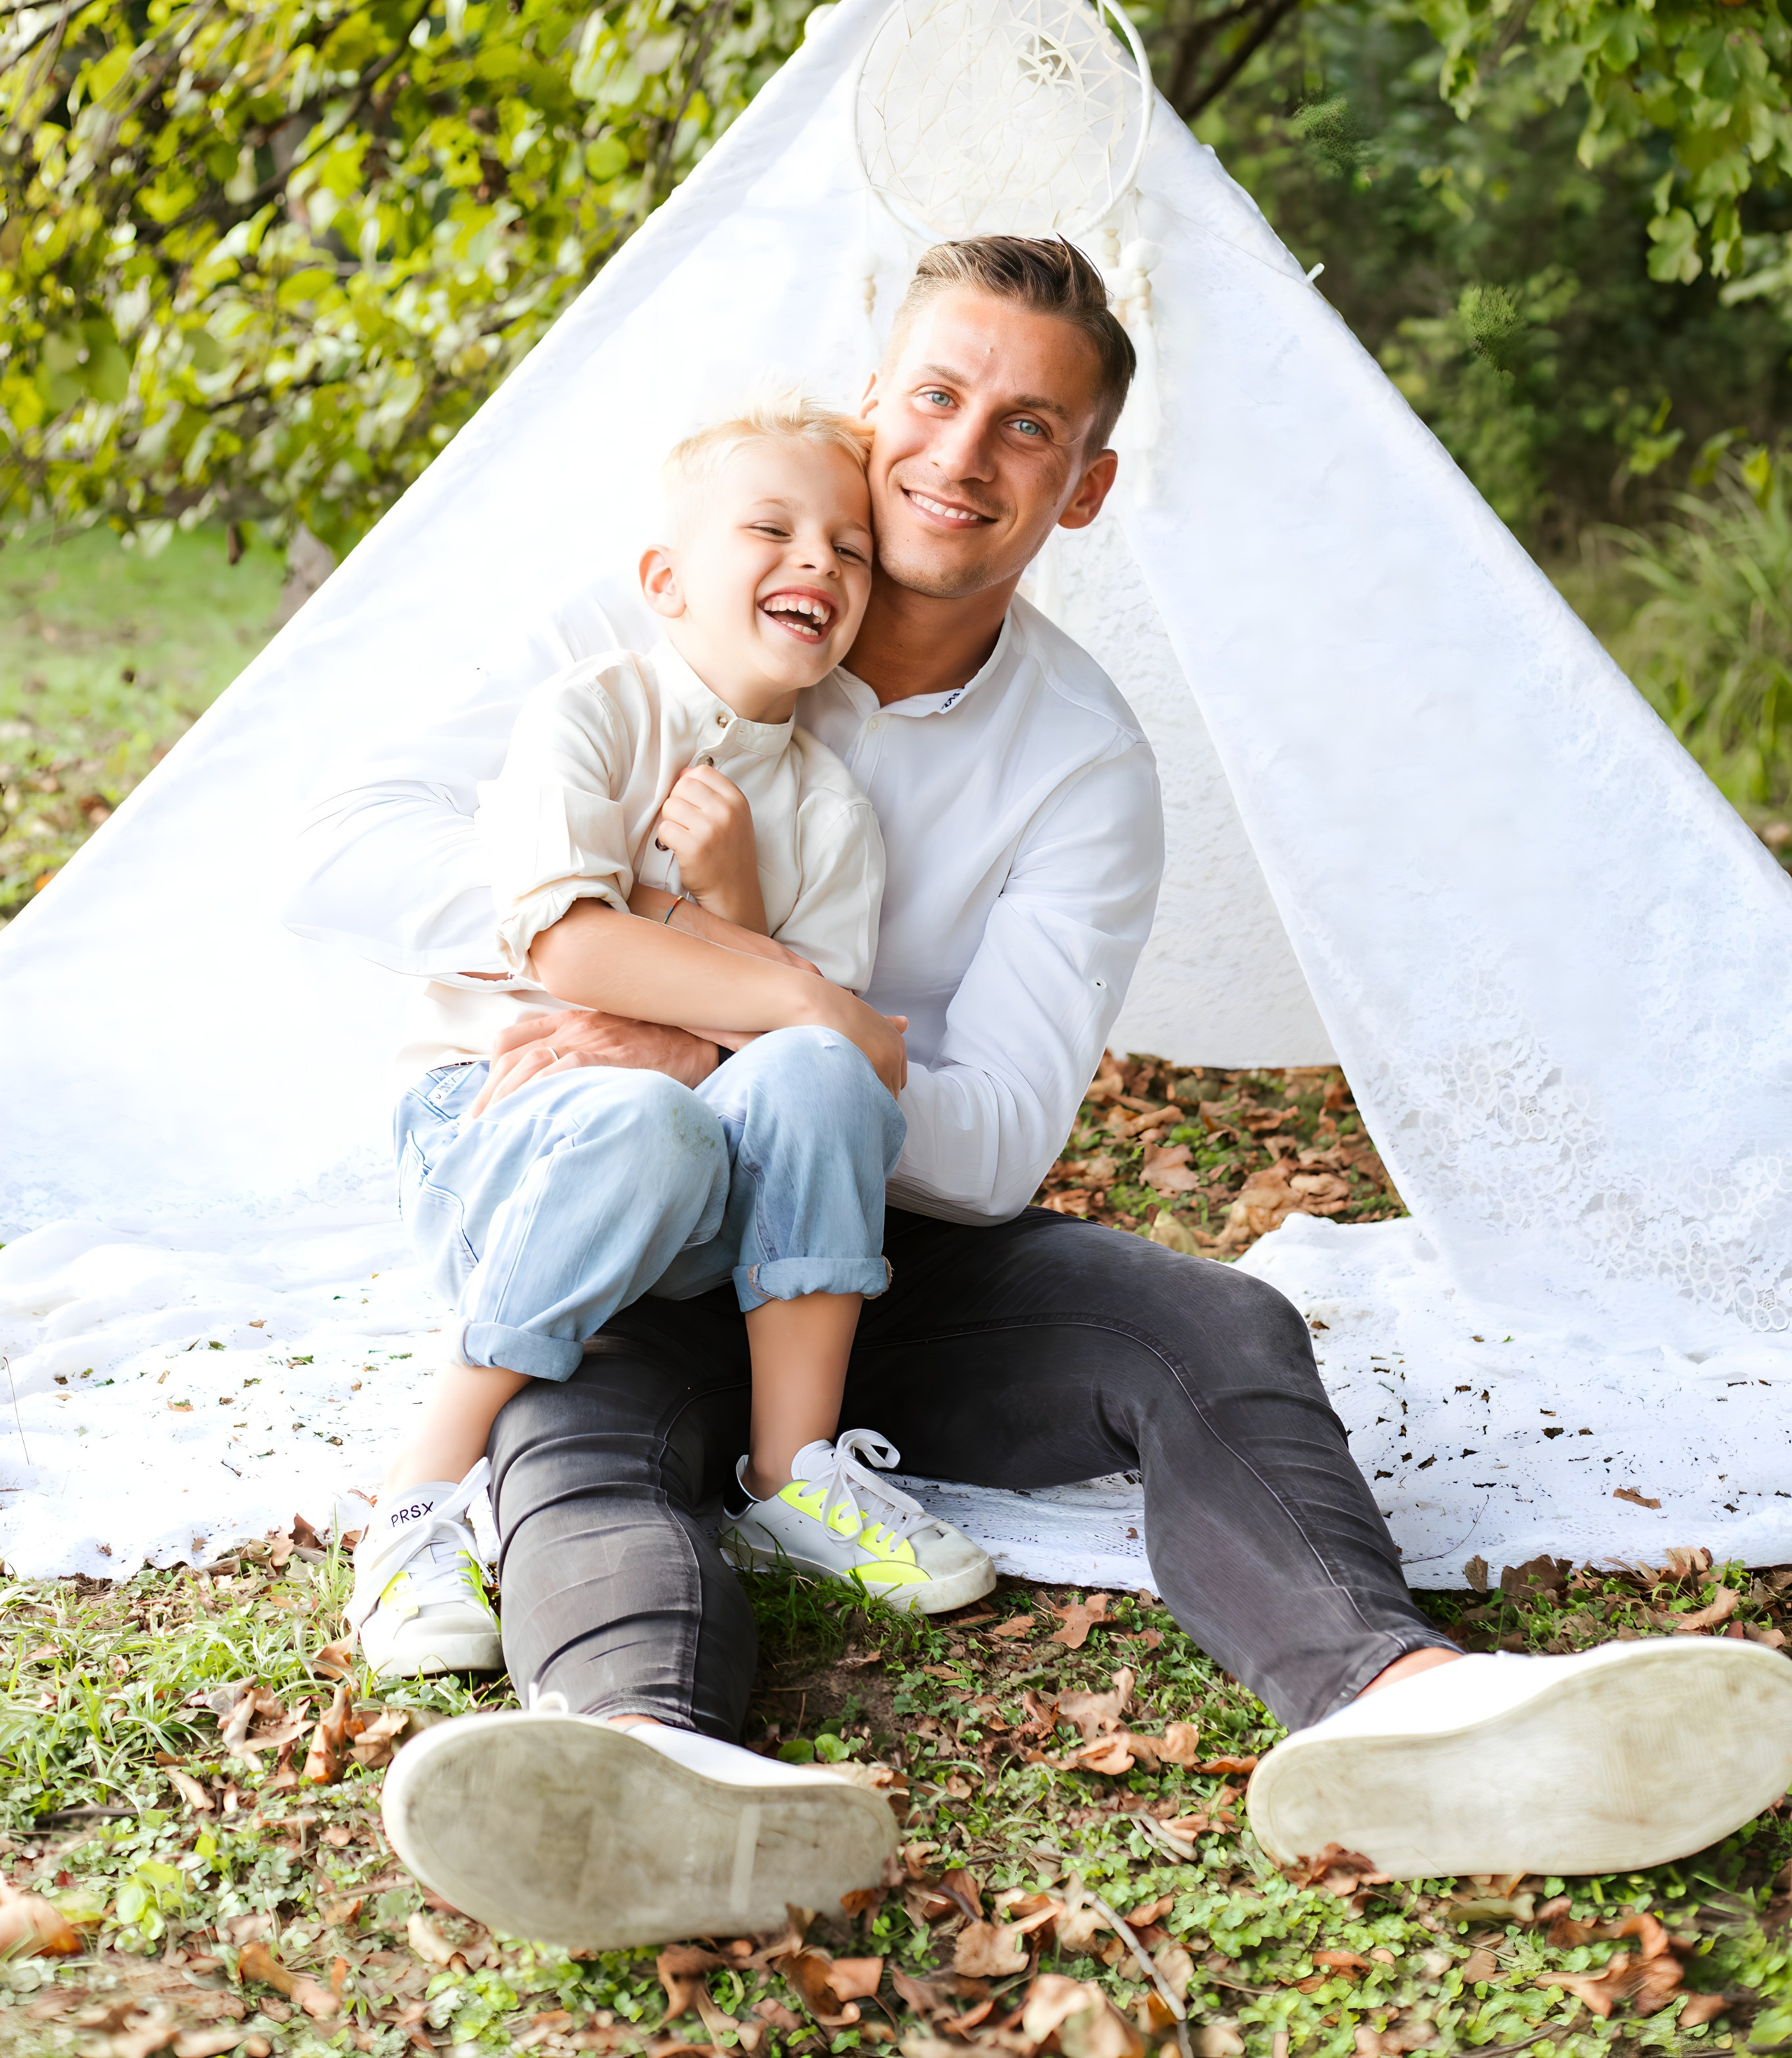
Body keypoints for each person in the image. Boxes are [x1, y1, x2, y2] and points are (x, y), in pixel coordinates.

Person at [290, 233, 1792, 1949]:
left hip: (863, 1249)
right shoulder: (656, 604)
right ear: (871, 405)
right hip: (609, 1207)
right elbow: (338, 855)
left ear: (1078, 491)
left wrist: (755, 1040)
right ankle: (639, 1765)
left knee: (1210, 1328)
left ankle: (1403, 1707)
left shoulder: (1077, 759)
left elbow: (994, 1140)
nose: (958, 451)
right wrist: (657, 981)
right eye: (934, 393)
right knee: (581, 1432)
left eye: (1023, 427)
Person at [337, 398, 995, 1683]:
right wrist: (795, 987)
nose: (820, 560)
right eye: (772, 527)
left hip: (695, 1186)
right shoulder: (589, 717)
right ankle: (414, 1506)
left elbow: (806, 1086)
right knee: (673, 1101)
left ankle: (792, 1475)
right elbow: (564, 950)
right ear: (666, 579)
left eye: (851, 547)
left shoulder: (829, 813)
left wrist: (727, 917)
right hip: (496, 1133)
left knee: (788, 1076)